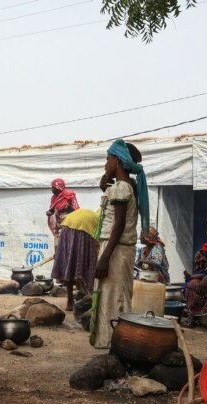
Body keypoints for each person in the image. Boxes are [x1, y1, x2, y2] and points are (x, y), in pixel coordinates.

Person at [90, 140, 148, 349]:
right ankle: (114, 343)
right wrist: (106, 179)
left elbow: (119, 224)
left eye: (107, 159)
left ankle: (118, 343)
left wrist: (105, 258)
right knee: (111, 294)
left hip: (116, 250)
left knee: (116, 297)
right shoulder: (124, 186)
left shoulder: (122, 188)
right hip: (117, 248)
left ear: (117, 160)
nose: (105, 164)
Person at [51, 208, 99, 311]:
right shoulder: (101, 219)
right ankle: (89, 301)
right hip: (83, 230)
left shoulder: (92, 215)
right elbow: (99, 242)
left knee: (70, 264)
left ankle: (70, 302)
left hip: (67, 227)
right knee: (88, 265)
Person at [46, 178, 79, 245]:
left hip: (68, 225)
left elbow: (76, 210)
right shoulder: (54, 198)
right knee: (57, 244)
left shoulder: (69, 195)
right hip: (58, 225)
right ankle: (58, 255)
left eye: (53, 187)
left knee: (67, 244)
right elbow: (52, 209)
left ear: (59, 187)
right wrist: (49, 212)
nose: (52, 189)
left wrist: (69, 208)